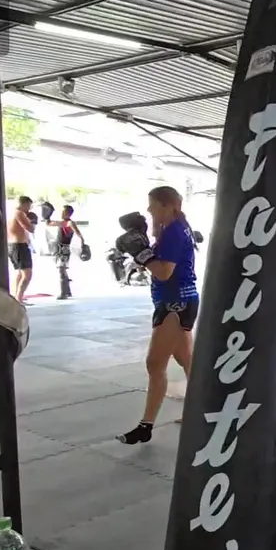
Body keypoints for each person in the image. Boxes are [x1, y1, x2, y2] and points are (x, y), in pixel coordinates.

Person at [115, 187, 198, 445]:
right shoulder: (173, 228)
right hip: (176, 300)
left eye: (153, 205)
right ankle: (200, 410)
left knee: (155, 364)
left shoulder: (174, 231)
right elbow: (158, 262)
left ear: (167, 205)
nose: (149, 209)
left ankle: (145, 426)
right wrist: (147, 241)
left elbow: (163, 272)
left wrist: (142, 253)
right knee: (188, 361)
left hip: (175, 303)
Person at [48, 205, 87, 300]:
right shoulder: (62, 222)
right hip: (58, 249)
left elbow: (79, 234)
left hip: (64, 249)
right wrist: (47, 214)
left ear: (69, 214)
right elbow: (49, 223)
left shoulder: (70, 223)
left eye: (64, 212)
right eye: (62, 212)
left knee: (61, 269)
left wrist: (82, 245)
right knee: (62, 269)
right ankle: (68, 291)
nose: (62, 213)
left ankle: (63, 293)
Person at [7, 196, 34, 303]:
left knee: (20, 273)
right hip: (19, 245)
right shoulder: (19, 213)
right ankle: (19, 298)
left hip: (12, 245)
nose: (29, 208)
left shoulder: (10, 213)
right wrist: (31, 220)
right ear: (24, 204)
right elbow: (30, 228)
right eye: (29, 206)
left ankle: (16, 297)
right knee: (27, 275)